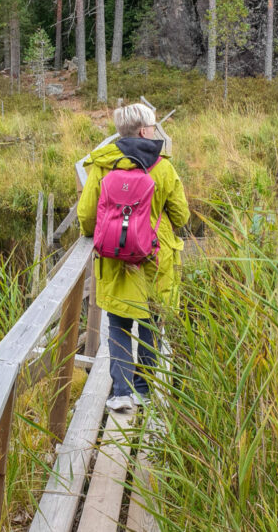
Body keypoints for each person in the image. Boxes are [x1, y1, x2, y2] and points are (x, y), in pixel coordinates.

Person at [77, 103, 190, 412]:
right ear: (144, 131)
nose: (155, 132)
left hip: (115, 260)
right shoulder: (163, 167)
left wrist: (101, 231)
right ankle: (144, 390)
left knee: (118, 326)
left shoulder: (102, 165)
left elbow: (86, 215)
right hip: (154, 261)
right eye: (153, 127)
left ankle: (121, 393)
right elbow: (181, 215)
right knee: (151, 325)